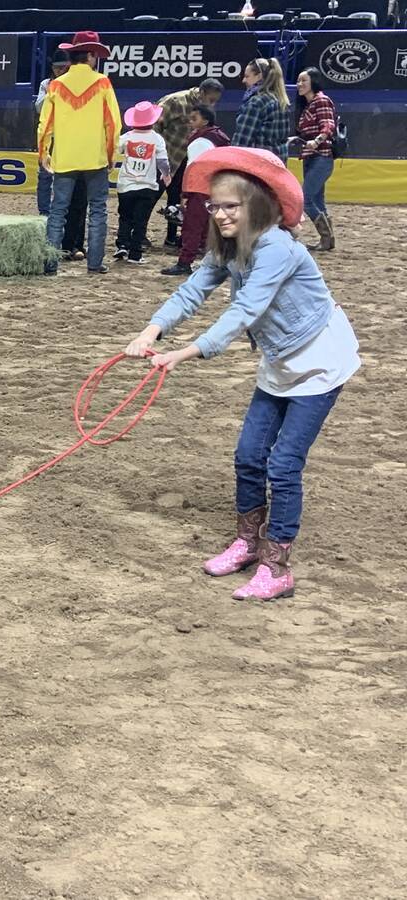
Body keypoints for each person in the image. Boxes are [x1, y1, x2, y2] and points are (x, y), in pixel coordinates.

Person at [125, 147, 360, 601]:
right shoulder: (229, 247)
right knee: (249, 455)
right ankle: (248, 542)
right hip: (279, 362)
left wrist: (185, 353)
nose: (219, 215)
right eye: (214, 206)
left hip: (320, 361)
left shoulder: (279, 248)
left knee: (284, 464)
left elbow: (245, 310)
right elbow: (194, 289)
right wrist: (151, 330)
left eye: (230, 206)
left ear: (256, 204)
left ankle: (278, 566)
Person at [36, 30, 121, 276]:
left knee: (57, 211)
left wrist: (44, 154)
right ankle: (94, 263)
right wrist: (110, 155)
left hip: (65, 158)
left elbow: (45, 125)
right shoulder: (103, 83)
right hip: (95, 158)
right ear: (92, 56)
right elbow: (113, 124)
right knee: (97, 210)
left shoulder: (55, 85)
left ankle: (50, 264)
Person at [154, 77, 223, 249]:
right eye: (211, 100)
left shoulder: (205, 111)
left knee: (176, 198)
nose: (213, 105)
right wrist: (158, 151)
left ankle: (171, 237)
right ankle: (137, 235)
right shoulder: (175, 101)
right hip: (167, 157)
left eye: (216, 101)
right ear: (202, 93)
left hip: (187, 161)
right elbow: (155, 124)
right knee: (151, 196)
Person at [161, 104, 230, 276]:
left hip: (199, 187)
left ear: (205, 121)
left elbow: (194, 167)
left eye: (194, 119)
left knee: (192, 226)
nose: (190, 122)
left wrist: (186, 192)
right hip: (215, 186)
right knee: (209, 227)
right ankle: (215, 262)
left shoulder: (200, 141)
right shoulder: (218, 138)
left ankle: (185, 262)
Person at [113, 101, 170, 265]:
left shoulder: (127, 138)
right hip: (147, 185)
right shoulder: (157, 139)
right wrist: (166, 174)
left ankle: (122, 244)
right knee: (140, 220)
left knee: (125, 216)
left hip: (126, 184)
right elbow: (162, 161)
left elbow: (113, 149)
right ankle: (135, 253)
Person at [293, 67, 337, 252]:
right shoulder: (307, 105)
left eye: (304, 80)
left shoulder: (321, 100)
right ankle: (327, 241)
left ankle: (326, 237)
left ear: (313, 82)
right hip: (311, 158)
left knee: (306, 199)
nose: (299, 84)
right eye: (298, 81)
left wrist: (316, 141)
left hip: (322, 157)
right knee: (318, 200)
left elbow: (328, 125)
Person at [34, 49, 69, 218]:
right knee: (45, 175)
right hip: (50, 135)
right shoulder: (46, 84)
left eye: (63, 67)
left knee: (67, 175)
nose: (60, 71)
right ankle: (44, 212)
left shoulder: (73, 84)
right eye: (57, 68)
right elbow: (39, 107)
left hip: (68, 135)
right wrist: (52, 90)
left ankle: (63, 210)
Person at [233, 57, 291, 161]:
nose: (243, 80)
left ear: (259, 76)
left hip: (258, 167)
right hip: (278, 166)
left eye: (247, 76)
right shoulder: (282, 102)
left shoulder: (256, 103)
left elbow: (241, 142)